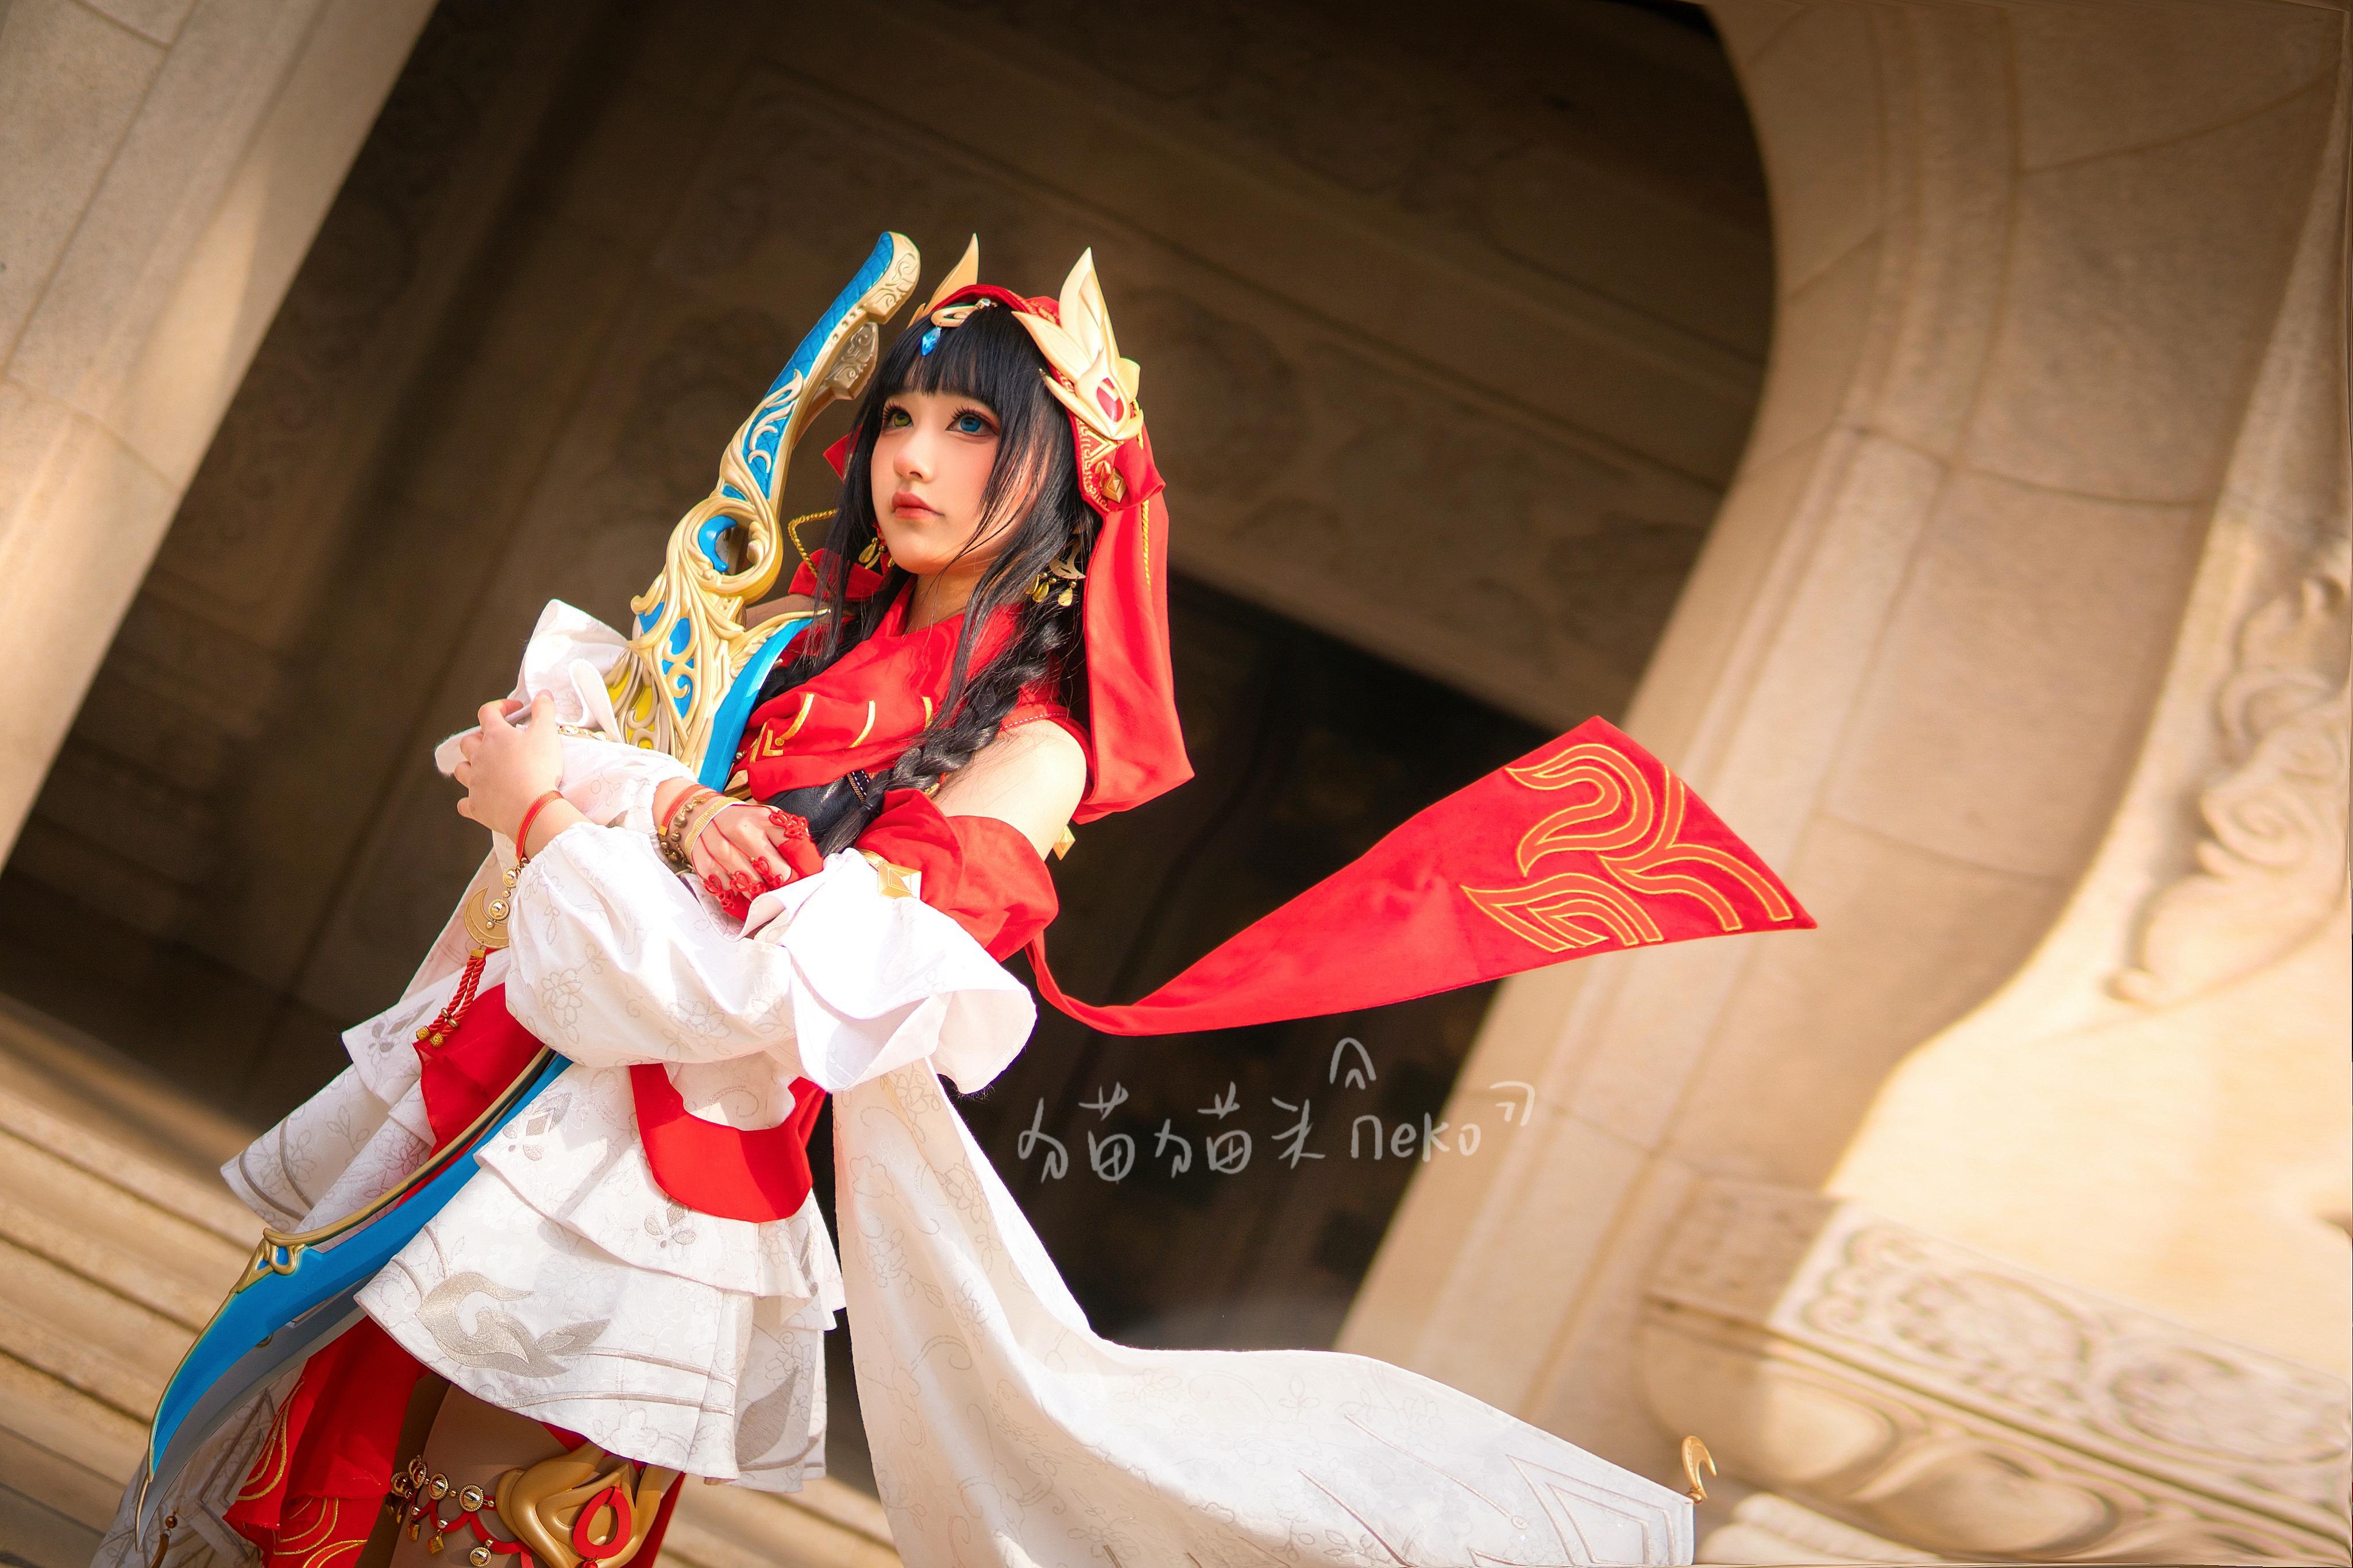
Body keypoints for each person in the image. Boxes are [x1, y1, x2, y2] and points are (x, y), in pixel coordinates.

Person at [102, 242, 1802, 1568]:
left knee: (469, 1537)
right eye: (903, 416)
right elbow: (557, 737)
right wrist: (659, 802)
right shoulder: (785, 645)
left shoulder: (1033, 750)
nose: (914, 456)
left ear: (1059, 475)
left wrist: (562, 812)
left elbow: (778, 998)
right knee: (305, 1498)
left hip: (658, 1193)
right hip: (501, 1102)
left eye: (973, 426)